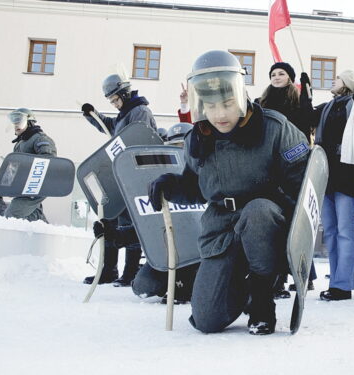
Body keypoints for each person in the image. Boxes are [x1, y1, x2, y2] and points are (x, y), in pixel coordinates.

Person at [148, 50, 309, 335]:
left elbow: (303, 184)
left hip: (266, 221)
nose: (220, 115)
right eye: (211, 107)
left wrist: (293, 243)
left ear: (241, 95)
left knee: (258, 211)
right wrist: (170, 185)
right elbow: (196, 188)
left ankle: (261, 298)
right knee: (207, 320)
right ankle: (240, 285)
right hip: (221, 226)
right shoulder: (197, 139)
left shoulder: (274, 128)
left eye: (228, 103)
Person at [92, 123, 200, 303]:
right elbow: (148, 225)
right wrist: (115, 235)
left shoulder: (205, 178)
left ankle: (193, 284)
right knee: (143, 286)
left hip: (202, 255)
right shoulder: (163, 185)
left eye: (183, 148)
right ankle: (176, 281)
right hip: (169, 253)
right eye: (173, 149)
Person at [80, 74, 156, 287]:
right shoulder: (125, 114)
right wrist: (92, 114)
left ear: (124, 93)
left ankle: (130, 272)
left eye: (115, 99)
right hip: (119, 175)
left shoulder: (140, 112)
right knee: (110, 218)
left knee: (129, 223)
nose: (114, 104)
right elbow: (108, 126)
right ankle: (108, 270)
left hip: (133, 175)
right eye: (111, 101)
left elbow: (137, 141)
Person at [255, 62, 316, 298]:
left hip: (293, 168)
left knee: (296, 222)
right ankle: (278, 280)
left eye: (281, 73)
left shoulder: (297, 100)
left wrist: (307, 94)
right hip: (269, 169)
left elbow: (308, 121)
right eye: (273, 74)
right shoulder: (263, 102)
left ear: (290, 78)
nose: (276, 77)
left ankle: (304, 274)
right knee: (274, 225)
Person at [313, 69, 354, 301]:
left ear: (347, 83)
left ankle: (343, 285)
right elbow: (305, 116)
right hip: (327, 176)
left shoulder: (353, 103)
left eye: (337, 78)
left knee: (345, 231)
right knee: (331, 232)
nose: (332, 81)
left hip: (347, 175)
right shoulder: (327, 106)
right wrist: (305, 92)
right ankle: (335, 280)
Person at [4, 108, 57, 222]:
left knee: (12, 215)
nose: (16, 126)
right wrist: (3, 186)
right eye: (14, 123)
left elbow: (49, 161)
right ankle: (43, 226)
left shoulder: (40, 138)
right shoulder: (20, 144)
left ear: (29, 122)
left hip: (34, 186)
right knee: (31, 215)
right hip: (23, 187)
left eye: (19, 122)